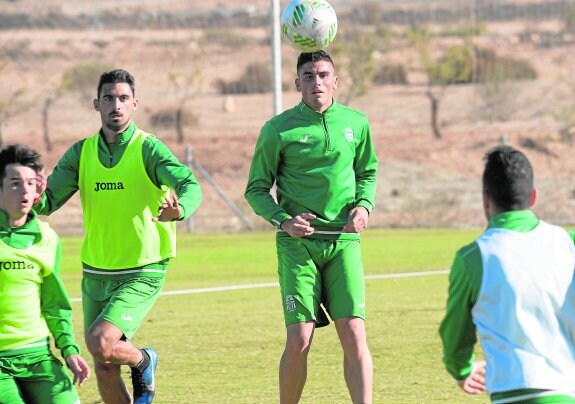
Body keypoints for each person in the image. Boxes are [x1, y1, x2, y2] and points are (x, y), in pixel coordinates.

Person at [34, 69, 202, 404]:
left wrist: (179, 209)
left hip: (143, 269)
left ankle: (144, 360)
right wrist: (31, 191)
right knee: (104, 368)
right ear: (96, 103)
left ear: (135, 104)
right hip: (96, 270)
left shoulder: (148, 149)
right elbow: (47, 202)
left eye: (123, 98)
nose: (116, 104)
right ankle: (141, 365)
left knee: (100, 342)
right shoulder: (81, 153)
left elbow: (190, 185)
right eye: (109, 98)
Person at [245, 50, 377, 404]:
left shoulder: (356, 123)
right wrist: (284, 221)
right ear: (297, 82)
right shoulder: (278, 129)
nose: (316, 82)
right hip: (297, 246)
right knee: (300, 339)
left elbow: (367, 173)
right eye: (308, 75)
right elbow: (256, 189)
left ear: (335, 80)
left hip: (343, 243)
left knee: (353, 333)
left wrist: (363, 208)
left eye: (322, 75)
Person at [439, 145, 575, 403]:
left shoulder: (474, 257)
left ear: (486, 200)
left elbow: (455, 335)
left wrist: (461, 369)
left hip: (512, 393)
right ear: (534, 196)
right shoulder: (569, 244)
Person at [0, 144, 90, 403]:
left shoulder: (47, 238)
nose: (24, 190)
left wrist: (69, 351)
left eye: (30, 183)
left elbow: (54, 303)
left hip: (38, 356)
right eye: (15, 183)